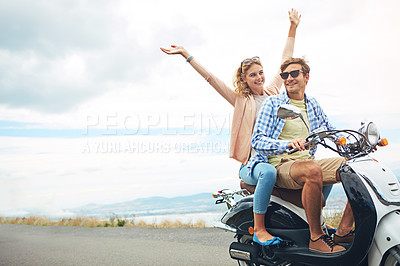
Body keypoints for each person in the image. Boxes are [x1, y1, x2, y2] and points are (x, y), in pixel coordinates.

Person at [161, 10, 302, 246]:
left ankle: (313, 223)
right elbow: (211, 79)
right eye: (252, 75)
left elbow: (285, 60)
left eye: (260, 73)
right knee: (267, 172)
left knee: (314, 171)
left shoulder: (272, 93)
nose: (259, 77)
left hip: (280, 156)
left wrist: (293, 27)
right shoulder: (240, 101)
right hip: (254, 164)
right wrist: (187, 55)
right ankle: (259, 229)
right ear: (244, 79)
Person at [249, 57, 355, 254]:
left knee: (356, 167)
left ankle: (344, 230)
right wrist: (286, 144)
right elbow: (257, 140)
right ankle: (316, 238)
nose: (288, 78)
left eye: (294, 73)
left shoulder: (312, 104)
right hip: (280, 163)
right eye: (285, 75)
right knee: (312, 169)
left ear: (306, 77)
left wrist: (351, 142)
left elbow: (330, 131)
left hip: (306, 163)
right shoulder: (273, 103)